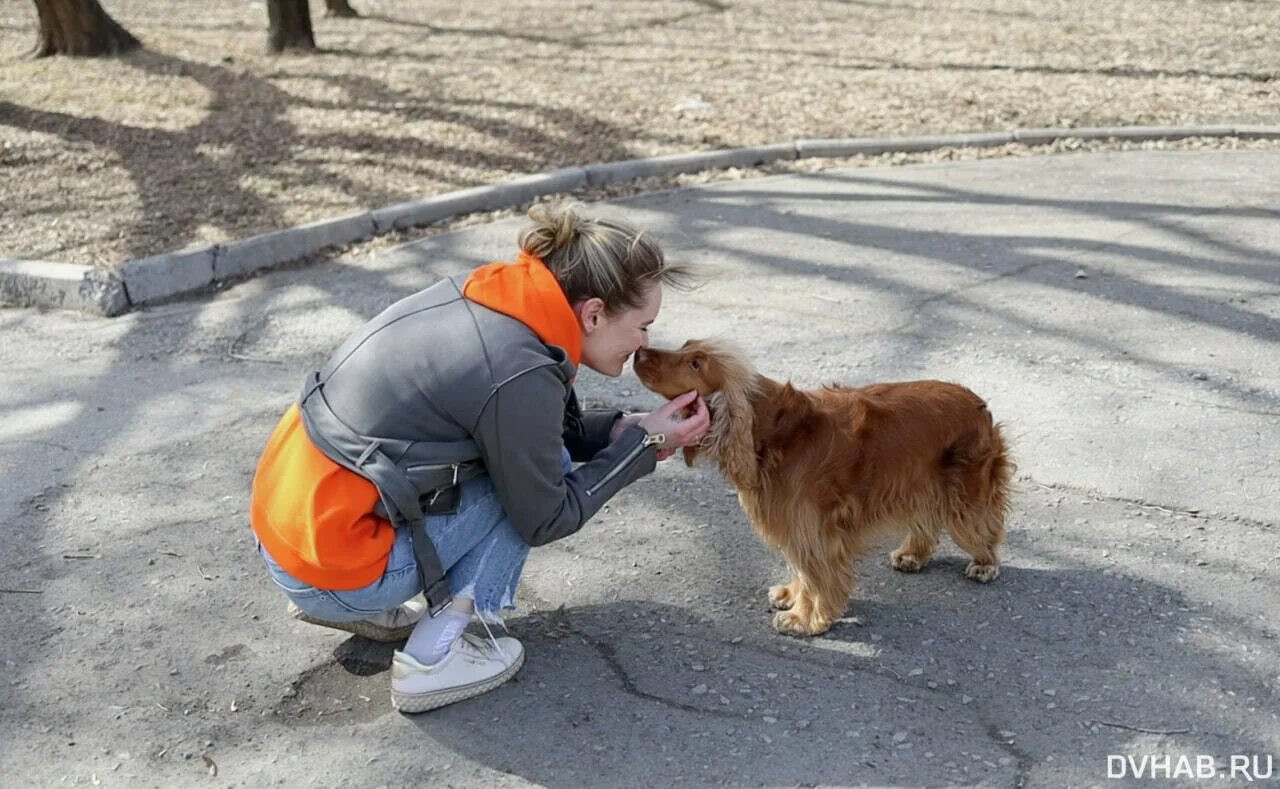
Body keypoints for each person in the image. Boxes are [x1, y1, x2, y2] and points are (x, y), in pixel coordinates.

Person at [249, 204, 710, 713]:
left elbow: (527, 420)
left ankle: (355, 601)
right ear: (594, 313)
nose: (644, 343)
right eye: (643, 325)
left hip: (292, 534)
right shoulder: (518, 369)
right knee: (538, 479)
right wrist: (643, 447)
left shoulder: (501, 300)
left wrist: (625, 428)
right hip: (335, 569)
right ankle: (434, 658)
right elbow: (546, 515)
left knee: (528, 460)